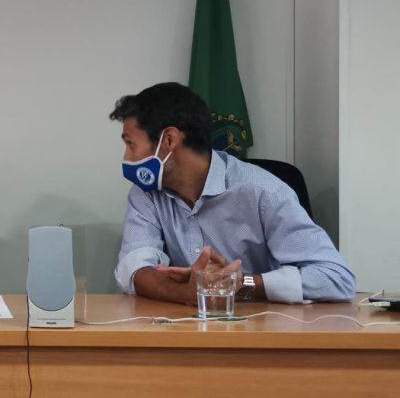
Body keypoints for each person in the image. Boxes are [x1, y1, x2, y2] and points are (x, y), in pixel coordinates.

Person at [110, 82, 355, 304]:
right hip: (186, 332)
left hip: (265, 333)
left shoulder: (264, 192)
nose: (127, 158)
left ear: (169, 140)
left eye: (131, 144)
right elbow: (135, 267)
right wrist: (188, 294)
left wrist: (242, 283)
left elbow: (337, 279)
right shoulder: (146, 193)